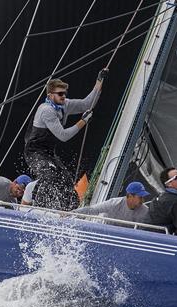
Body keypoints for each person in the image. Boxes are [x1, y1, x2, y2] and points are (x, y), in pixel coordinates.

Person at [23, 69, 108, 211]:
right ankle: (37, 209)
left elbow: (87, 104)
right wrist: (83, 122)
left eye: (65, 93)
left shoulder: (65, 105)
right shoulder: (46, 110)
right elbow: (63, 136)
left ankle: (67, 212)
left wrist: (99, 82)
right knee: (50, 176)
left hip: (48, 153)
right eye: (60, 94)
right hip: (34, 153)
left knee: (67, 181)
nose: (64, 96)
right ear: (50, 96)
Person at [73, 181, 151, 224]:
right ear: (130, 196)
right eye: (140, 197)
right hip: (106, 233)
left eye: (143, 197)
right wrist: (71, 214)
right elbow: (91, 210)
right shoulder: (114, 203)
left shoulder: (145, 211)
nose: (142, 200)